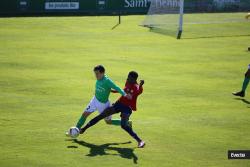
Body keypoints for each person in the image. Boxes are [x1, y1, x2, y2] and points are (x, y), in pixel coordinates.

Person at [79, 71, 145, 148]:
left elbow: (139, 91)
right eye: (127, 76)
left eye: (129, 77)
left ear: (134, 79)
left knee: (123, 125)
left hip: (127, 108)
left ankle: (140, 141)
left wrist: (140, 85)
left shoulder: (136, 87)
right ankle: (83, 129)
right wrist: (112, 91)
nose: (127, 78)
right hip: (119, 104)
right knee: (102, 115)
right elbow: (124, 89)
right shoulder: (128, 82)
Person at [66, 65, 131, 137]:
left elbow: (117, 87)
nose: (96, 75)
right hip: (95, 100)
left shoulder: (107, 81)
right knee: (85, 114)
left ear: (102, 73)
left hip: (103, 105)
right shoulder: (99, 78)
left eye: (97, 73)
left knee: (108, 122)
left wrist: (125, 94)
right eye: (95, 73)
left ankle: (126, 123)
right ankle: (76, 130)